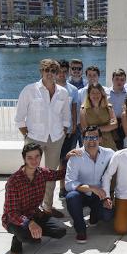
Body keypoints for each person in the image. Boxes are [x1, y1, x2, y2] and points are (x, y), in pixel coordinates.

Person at [14, 58, 71, 217]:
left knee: (51, 175)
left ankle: (47, 208)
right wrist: (27, 136)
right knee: (30, 174)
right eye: (47, 70)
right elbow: (19, 118)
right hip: (35, 138)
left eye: (54, 71)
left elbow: (66, 116)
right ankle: (28, 209)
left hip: (56, 138)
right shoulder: (29, 90)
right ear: (41, 72)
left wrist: (64, 131)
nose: (50, 74)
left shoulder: (63, 92)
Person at [3, 143, 67, 254]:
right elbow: (11, 213)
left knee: (60, 230)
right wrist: (29, 223)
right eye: (30, 157)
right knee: (29, 238)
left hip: (34, 214)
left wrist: (68, 158)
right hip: (14, 220)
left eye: (37, 156)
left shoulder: (42, 173)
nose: (34, 160)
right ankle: (17, 239)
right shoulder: (14, 181)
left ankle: (34, 233)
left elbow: (60, 174)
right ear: (24, 159)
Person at [65, 126, 114, 243]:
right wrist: (91, 188)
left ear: (100, 139)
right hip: (81, 193)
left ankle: (94, 215)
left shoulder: (109, 153)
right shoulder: (75, 156)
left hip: (99, 195)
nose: (91, 141)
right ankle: (80, 229)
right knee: (71, 197)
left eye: (95, 137)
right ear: (83, 139)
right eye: (87, 137)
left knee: (108, 215)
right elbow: (68, 184)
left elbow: (125, 155)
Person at [56, 59, 79, 197]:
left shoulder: (73, 90)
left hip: (69, 132)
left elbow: (74, 109)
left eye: (65, 72)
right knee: (54, 161)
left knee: (65, 160)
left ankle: (63, 187)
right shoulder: (50, 88)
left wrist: (74, 126)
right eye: (59, 72)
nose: (62, 74)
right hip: (54, 132)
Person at [80, 84, 118, 150]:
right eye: (93, 93)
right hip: (91, 141)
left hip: (108, 141)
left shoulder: (108, 108)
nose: (95, 95)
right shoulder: (83, 109)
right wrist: (106, 127)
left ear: (102, 94)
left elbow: (114, 124)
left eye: (98, 93)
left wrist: (96, 129)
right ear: (89, 95)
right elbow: (85, 129)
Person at [106, 69, 127, 149]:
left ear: (125, 81)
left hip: (125, 122)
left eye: (122, 79)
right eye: (117, 79)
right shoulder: (105, 93)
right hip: (110, 122)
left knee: (123, 147)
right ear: (112, 80)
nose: (119, 82)